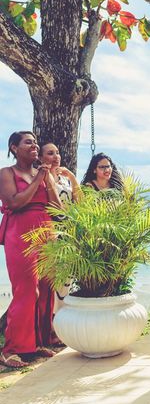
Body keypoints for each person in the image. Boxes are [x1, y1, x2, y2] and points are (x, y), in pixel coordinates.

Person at [0, 131, 62, 368]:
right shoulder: (6, 173)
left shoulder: (42, 173)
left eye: (35, 142)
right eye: (28, 142)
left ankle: (38, 342)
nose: (34, 145)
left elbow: (56, 206)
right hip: (21, 231)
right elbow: (13, 202)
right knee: (27, 289)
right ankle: (11, 349)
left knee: (47, 288)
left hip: (46, 228)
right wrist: (38, 180)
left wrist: (48, 181)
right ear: (14, 147)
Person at [39, 142, 81, 313]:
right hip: (51, 234)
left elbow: (81, 204)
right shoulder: (40, 179)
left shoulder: (65, 179)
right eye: (50, 153)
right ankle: (51, 326)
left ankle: (64, 322)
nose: (56, 156)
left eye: (57, 152)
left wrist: (72, 177)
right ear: (41, 158)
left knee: (67, 280)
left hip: (69, 234)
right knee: (52, 279)